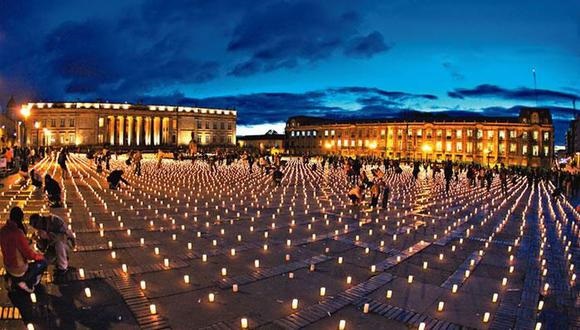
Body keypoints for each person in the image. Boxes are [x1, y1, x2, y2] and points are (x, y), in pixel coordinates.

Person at [0, 207, 47, 293]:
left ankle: (12, 279)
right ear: (21, 218)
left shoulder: (2, 230)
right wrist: (40, 256)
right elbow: (29, 255)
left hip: (8, 267)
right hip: (19, 269)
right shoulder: (18, 233)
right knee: (43, 263)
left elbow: (12, 245)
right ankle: (30, 282)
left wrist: (26, 241)